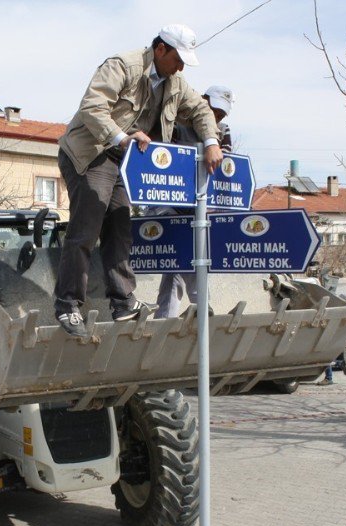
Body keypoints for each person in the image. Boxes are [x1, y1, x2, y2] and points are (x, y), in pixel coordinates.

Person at [53, 24, 224, 337]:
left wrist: (212, 141)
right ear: (160, 50)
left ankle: (122, 302)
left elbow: (201, 109)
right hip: (91, 152)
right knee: (87, 226)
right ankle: (67, 304)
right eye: (178, 58)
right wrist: (121, 138)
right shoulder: (123, 66)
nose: (182, 66)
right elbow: (93, 107)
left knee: (120, 226)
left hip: (124, 160)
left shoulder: (175, 82)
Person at [155, 85, 235, 319]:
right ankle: (177, 317)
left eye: (221, 114)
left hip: (202, 209)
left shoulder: (222, 130)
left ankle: (200, 314)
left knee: (194, 262)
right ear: (203, 101)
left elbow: (223, 164)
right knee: (176, 264)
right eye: (214, 111)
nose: (216, 118)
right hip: (174, 207)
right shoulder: (178, 125)